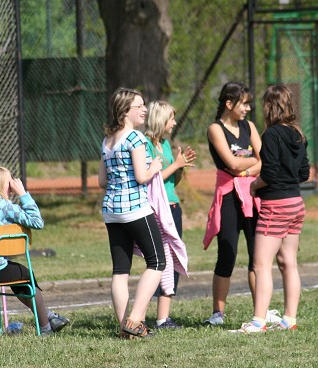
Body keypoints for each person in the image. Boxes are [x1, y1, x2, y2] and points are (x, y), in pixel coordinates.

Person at [0, 166, 69, 335]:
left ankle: (48, 316)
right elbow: (37, 222)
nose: (11, 186)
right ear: (1, 185)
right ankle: (46, 327)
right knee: (25, 275)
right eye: (9, 182)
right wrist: (23, 194)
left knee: (15, 273)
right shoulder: (3, 205)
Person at [237, 84, 310, 333]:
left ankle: (258, 322)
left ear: (269, 107)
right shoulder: (298, 134)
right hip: (295, 203)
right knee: (288, 261)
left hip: (275, 205)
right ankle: (289, 318)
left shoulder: (271, 135)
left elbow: (268, 173)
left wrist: (254, 186)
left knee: (261, 264)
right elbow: (304, 173)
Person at [98, 87, 166, 339]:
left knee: (120, 270)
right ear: (125, 111)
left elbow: (101, 181)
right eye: (140, 106)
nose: (144, 110)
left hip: (111, 211)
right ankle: (135, 319)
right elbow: (142, 177)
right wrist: (155, 166)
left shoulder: (107, 140)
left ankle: (124, 328)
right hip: (135, 209)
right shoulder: (136, 138)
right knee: (157, 261)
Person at [202, 81, 262, 326]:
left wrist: (246, 171)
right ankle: (218, 314)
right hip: (228, 196)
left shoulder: (249, 126)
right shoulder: (215, 129)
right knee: (227, 254)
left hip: (252, 193)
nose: (248, 108)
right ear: (229, 104)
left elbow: (264, 159)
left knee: (257, 256)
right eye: (243, 103)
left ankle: (261, 310)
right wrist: (251, 162)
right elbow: (232, 163)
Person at [144, 100, 196, 329]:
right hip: (156, 209)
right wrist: (175, 164)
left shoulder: (165, 144)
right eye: (171, 118)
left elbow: (172, 181)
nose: (174, 122)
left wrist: (181, 166)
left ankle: (163, 318)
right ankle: (140, 316)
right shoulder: (144, 144)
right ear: (160, 119)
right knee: (157, 260)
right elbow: (152, 178)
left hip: (173, 207)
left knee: (173, 259)